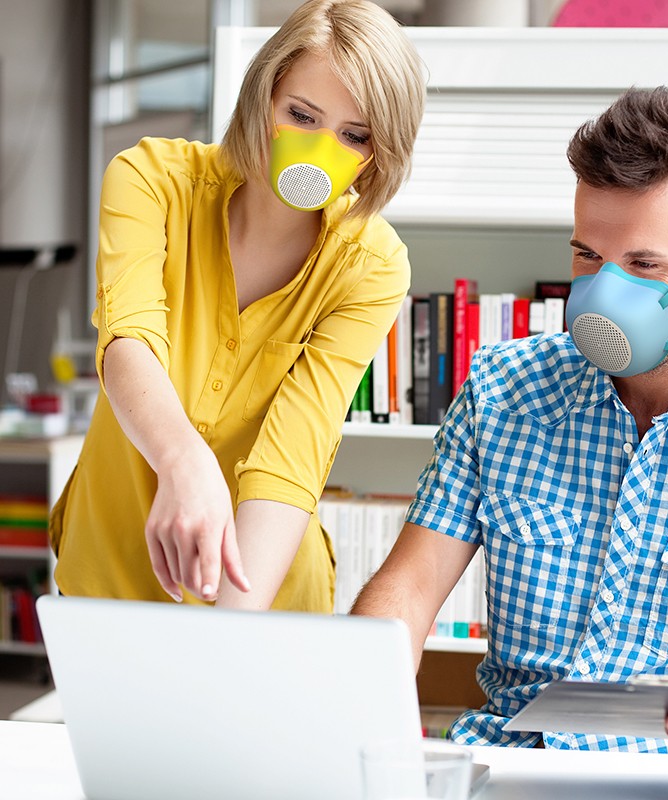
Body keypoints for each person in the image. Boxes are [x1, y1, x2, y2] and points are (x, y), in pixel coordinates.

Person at [352, 86, 668, 800]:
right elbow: (407, 588)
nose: (604, 292)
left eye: (644, 265)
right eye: (589, 256)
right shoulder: (504, 389)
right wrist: (360, 723)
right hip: (512, 767)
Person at [48, 0, 426, 612]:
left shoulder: (372, 265)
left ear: (378, 152)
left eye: (354, 135)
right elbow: (128, 341)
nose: (320, 149)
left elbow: (294, 452)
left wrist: (232, 631)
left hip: (262, 585)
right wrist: (183, 461)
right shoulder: (150, 180)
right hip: (110, 568)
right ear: (263, 97)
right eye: (301, 115)